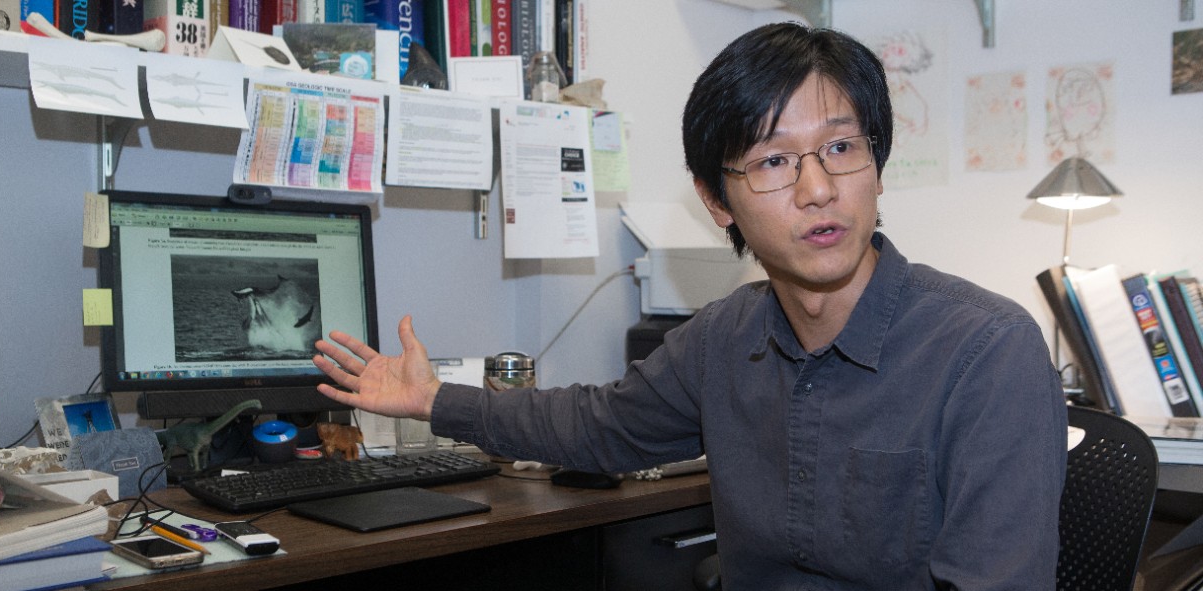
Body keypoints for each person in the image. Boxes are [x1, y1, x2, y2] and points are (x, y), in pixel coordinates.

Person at [312, 22, 1067, 590]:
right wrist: (436, 400)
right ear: (717, 202)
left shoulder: (986, 352)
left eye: (841, 148)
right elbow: (596, 426)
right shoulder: (724, 338)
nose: (817, 188)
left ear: (876, 163)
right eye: (773, 161)